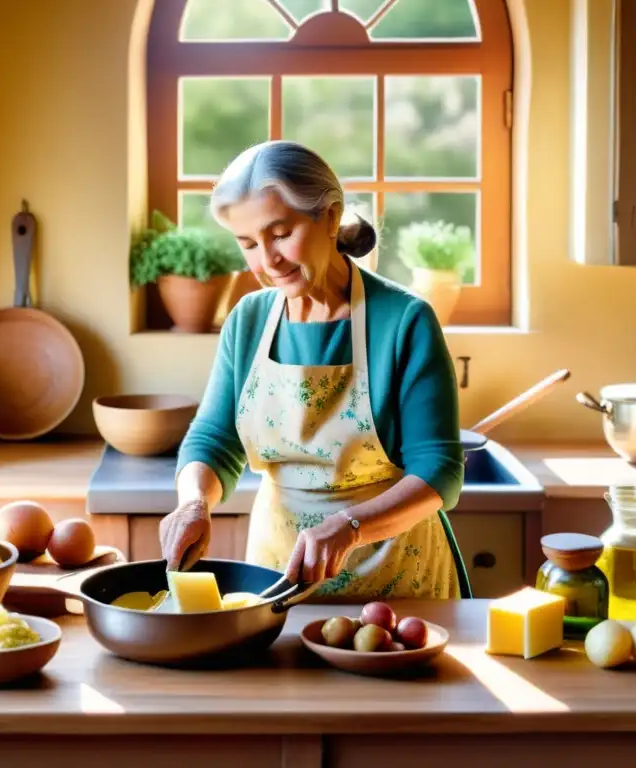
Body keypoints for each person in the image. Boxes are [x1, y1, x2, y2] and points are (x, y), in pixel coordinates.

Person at [159, 140, 467, 600]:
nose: (267, 261)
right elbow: (213, 440)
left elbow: (439, 470)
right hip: (278, 575)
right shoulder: (248, 320)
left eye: (280, 234)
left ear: (330, 216)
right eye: (248, 243)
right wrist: (193, 502)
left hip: (398, 581)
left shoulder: (404, 321)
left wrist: (349, 527)